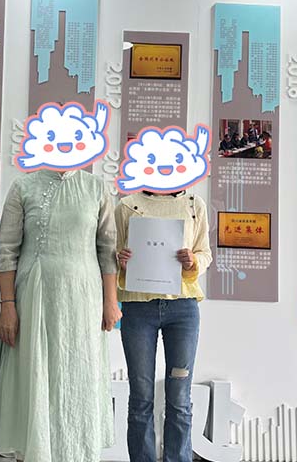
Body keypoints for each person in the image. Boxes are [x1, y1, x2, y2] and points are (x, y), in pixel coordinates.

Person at [0, 169, 122, 461]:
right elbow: (7, 250)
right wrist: (7, 304)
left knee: (77, 378)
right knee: (34, 377)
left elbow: (108, 249)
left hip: (83, 301)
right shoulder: (23, 186)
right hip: (34, 298)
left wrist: (111, 301)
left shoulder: (96, 187)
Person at [115, 189, 212, 462]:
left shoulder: (194, 204)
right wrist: (120, 259)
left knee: (179, 398)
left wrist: (193, 261)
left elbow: (205, 252)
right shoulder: (127, 205)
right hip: (138, 307)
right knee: (141, 396)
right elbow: (111, 253)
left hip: (183, 309)